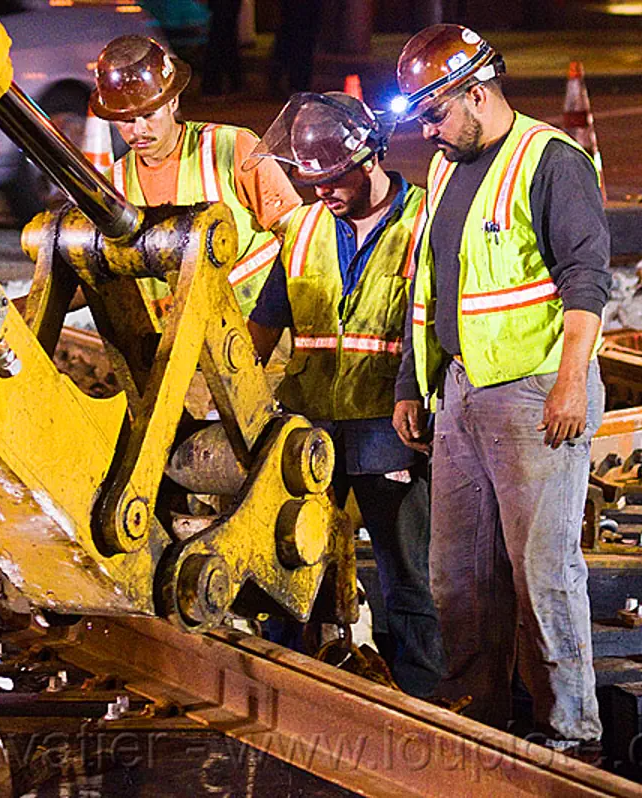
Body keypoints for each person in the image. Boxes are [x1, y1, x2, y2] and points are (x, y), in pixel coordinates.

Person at [391, 25, 611, 756]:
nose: (427, 132)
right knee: (457, 578)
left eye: (435, 114)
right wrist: (412, 382)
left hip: (537, 393)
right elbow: (429, 286)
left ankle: (570, 736)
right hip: (461, 394)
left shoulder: (551, 161)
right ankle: (477, 719)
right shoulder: (446, 167)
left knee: (541, 576)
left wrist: (571, 385)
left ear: (478, 95)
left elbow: (587, 282)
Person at [245, 92, 443, 698]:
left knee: (404, 575)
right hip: (309, 429)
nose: (323, 192)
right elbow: (264, 323)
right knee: (291, 560)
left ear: (372, 159)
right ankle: (293, 687)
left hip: (391, 427)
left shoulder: (424, 223)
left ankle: (421, 697)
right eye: (315, 180)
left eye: (334, 178)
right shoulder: (302, 229)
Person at [90, 35, 302, 318]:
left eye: (149, 115)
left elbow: (299, 237)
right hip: (175, 350)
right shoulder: (112, 186)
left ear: (172, 102)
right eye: (126, 120)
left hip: (259, 337)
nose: (138, 130)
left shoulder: (231, 148)